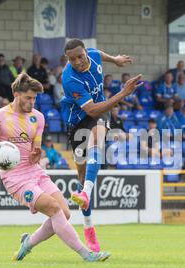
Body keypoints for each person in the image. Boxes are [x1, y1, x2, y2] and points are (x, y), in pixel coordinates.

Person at [0, 72, 110, 262]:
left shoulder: (38, 118)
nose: (32, 102)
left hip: (34, 171)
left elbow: (36, 150)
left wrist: (37, 153)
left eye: (34, 98)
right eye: (28, 98)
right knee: (53, 208)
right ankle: (86, 254)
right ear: (16, 94)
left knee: (64, 213)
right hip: (15, 178)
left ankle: (28, 242)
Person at [60, 38, 142, 252]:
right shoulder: (69, 78)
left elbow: (99, 54)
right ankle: (88, 226)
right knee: (82, 172)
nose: (77, 62)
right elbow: (91, 110)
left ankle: (86, 192)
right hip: (77, 120)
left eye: (79, 56)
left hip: (100, 113)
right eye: (72, 59)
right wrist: (123, 93)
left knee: (96, 139)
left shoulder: (93, 55)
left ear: (85, 52)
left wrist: (115, 60)